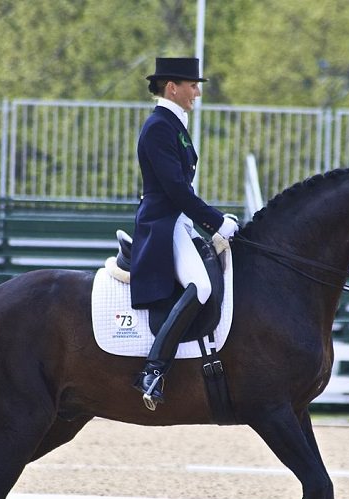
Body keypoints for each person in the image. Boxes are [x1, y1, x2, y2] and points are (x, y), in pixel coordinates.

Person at [130, 56, 239, 410]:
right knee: (202, 286)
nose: (197, 92)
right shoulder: (160, 126)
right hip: (164, 222)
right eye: (193, 86)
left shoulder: (173, 123)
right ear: (172, 87)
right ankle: (154, 370)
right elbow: (176, 190)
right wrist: (217, 222)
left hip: (178, 220)